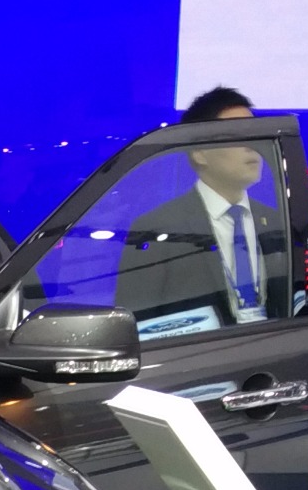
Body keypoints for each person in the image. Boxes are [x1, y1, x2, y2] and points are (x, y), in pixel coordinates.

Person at [115, 86, 286, 330]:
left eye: (255, 135)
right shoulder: (156, 228)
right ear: (200, 153)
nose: (252, 146)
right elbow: (136, 328)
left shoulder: (277, 222)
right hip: (199, 353)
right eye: (237, 136)